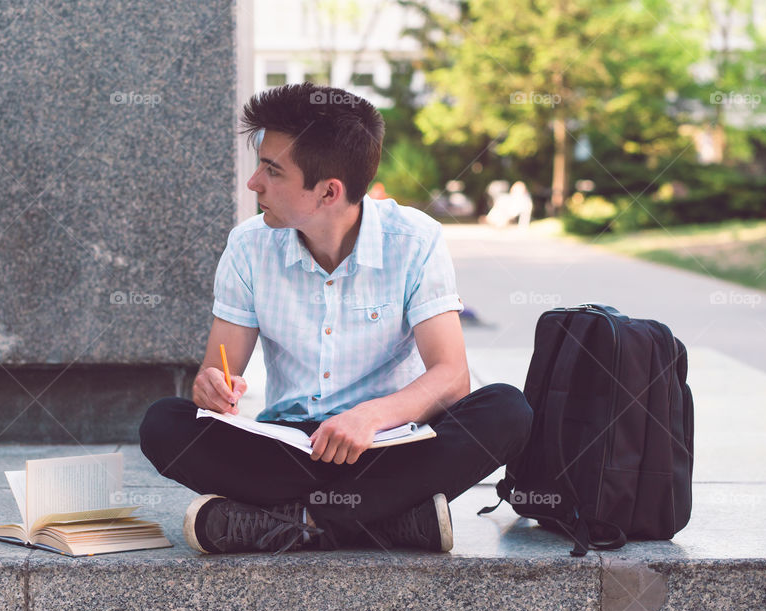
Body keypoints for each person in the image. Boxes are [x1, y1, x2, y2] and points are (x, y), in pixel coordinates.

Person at [138, 83, 532, 555]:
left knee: (507, 410)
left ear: (328, 191)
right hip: (286, 448)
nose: (254, 184)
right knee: (163, 423)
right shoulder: (247, 246)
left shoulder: (415, 240)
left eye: (272, 171)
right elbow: (220, 372)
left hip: (387, 446)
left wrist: (370, 418)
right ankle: (387, 521)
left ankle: (285, 522)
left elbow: (451, 377)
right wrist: (213, 385)